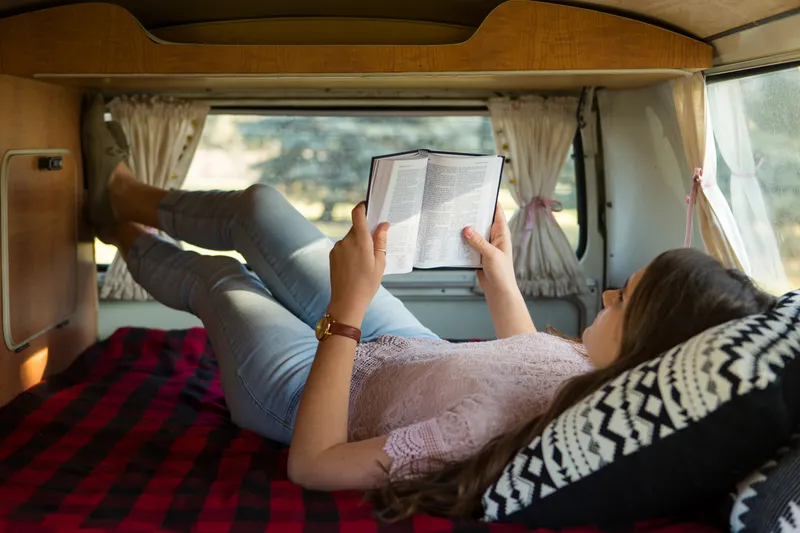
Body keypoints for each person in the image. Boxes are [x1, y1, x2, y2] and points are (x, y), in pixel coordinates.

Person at [82, 95, 776, 522]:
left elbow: (314, 465)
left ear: (645, 343)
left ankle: (120, 234)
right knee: (262, 207)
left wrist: (348, 310)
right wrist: (498, 274)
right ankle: (121, 194)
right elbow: (525, 358)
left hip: (310, 395)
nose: (606, 291)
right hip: (404, 344)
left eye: (625, 297)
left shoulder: (488, 433)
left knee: (230, 284)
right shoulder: (590, 374)